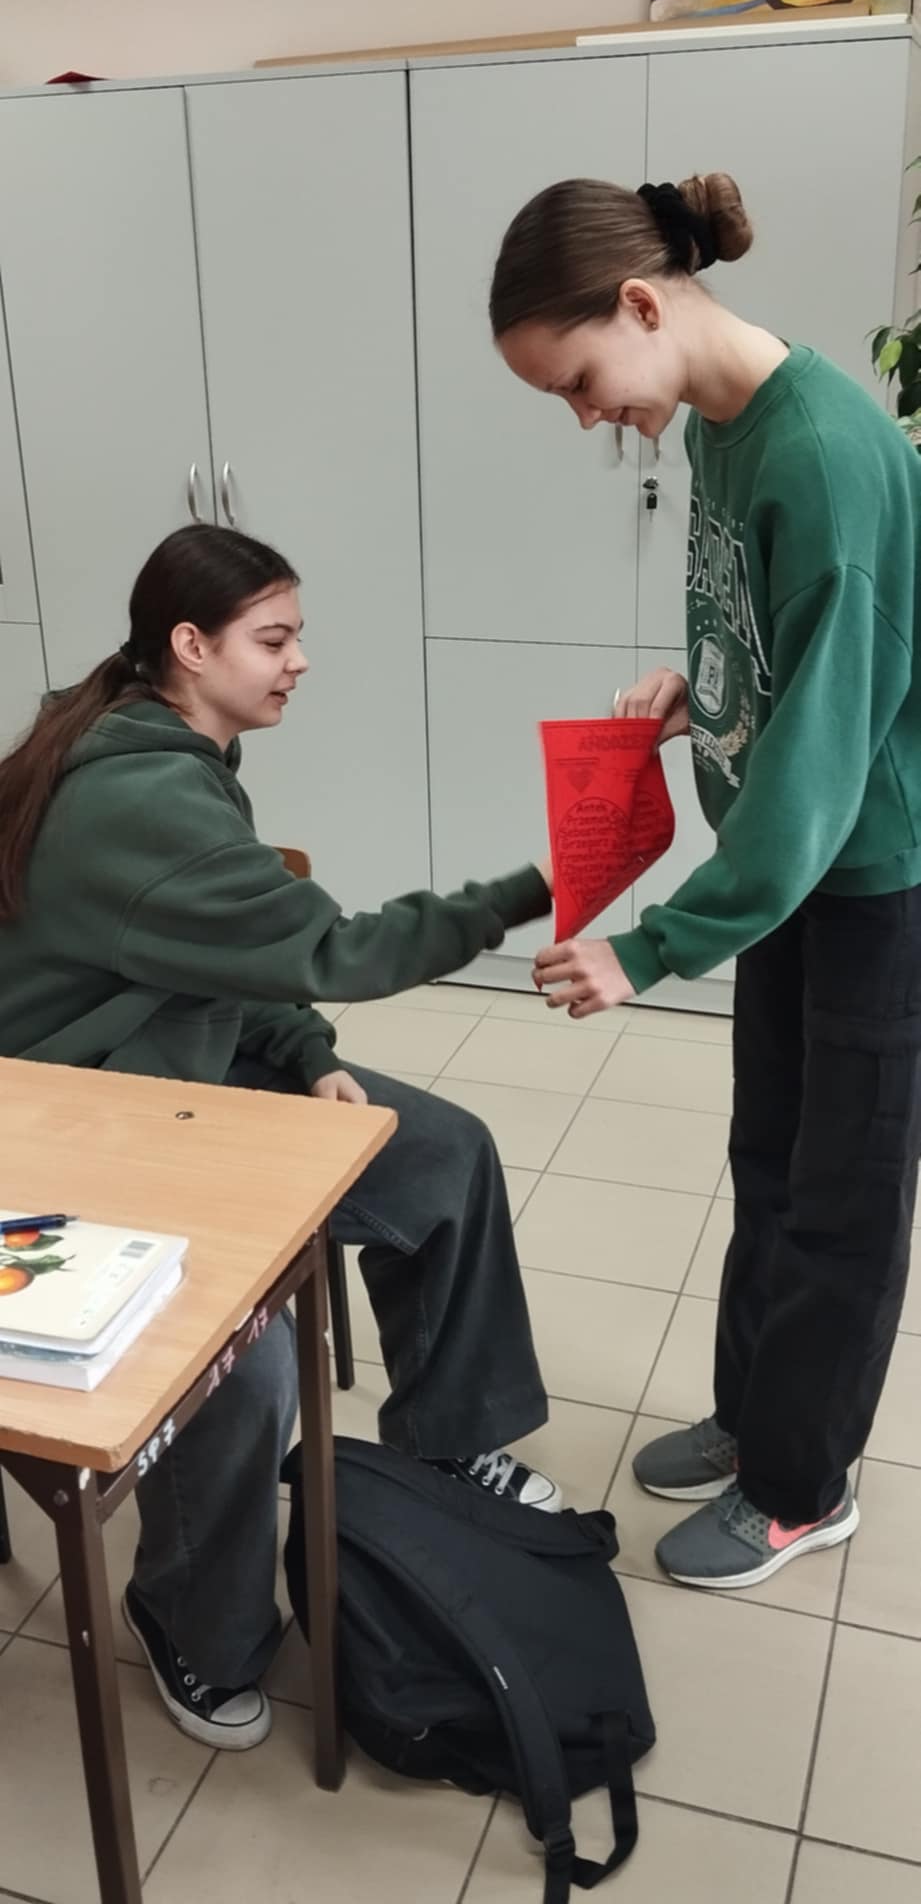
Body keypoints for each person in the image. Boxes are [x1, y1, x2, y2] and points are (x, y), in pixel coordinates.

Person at [0, 524, 558, 1749]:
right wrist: (541, 880)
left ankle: (447, 1448)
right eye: (275, 637)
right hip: (73, 1125)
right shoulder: (138, 793)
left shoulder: (177, 746)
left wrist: (305, 1053)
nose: (300, 659)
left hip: (175, 1067)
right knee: (244, 1362)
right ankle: (192, 1623)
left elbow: (209, 944)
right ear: (190, 647)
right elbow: (334, 947)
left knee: (442, 1152)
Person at [490, 170, 921, 1593]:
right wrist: (705, 684)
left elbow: (825, 760)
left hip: (867, 878)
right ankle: (756, 1417)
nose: (585, 417)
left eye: (579, 382)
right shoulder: (725, 428)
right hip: (792, 872)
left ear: (639, 305)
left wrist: (654, 944)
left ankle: (802, 1487)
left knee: (843, 1196)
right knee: (771, 1157)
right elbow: (777, 643)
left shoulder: (824, 454)